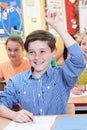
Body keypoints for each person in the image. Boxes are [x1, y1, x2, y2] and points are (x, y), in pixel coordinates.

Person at [0, 10, 85, 123]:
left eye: (42, 51)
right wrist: (13, 115)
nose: (37, 57)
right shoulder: (17, 81)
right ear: (27, 54)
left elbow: (78, 58)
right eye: (31, 52)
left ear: (53, 52)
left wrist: (57, 26)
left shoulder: (62, 76)